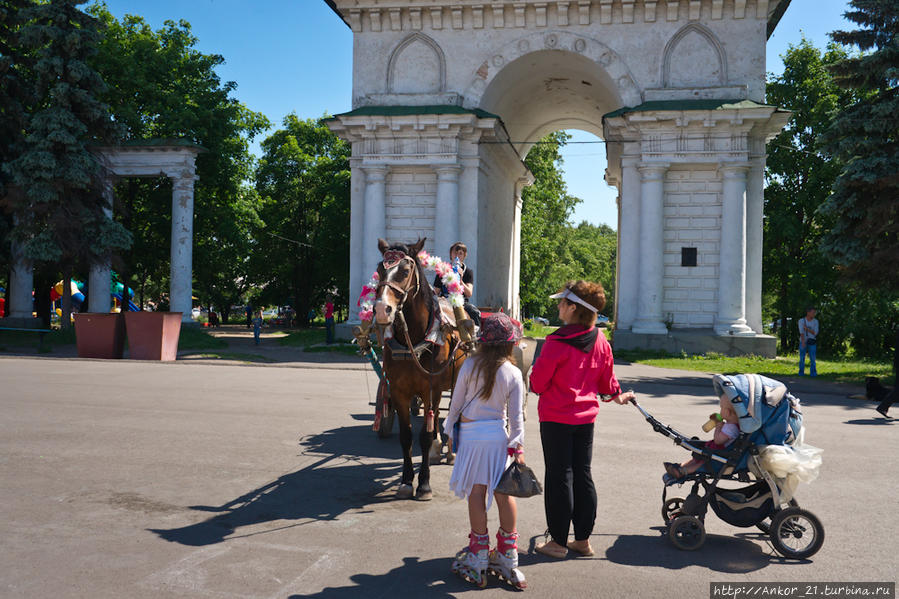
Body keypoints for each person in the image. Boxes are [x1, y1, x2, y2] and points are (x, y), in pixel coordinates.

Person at [529, 280, 635, 559]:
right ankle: (583, 540)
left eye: (562, 302)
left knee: (559, 476)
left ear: (572, 308)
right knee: (582, 473)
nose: (558, 306)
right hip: (585, 419)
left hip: (555, 417)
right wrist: (618, 396)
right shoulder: (601, 340)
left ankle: (557, 543)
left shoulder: (556, 341)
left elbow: (538, 384)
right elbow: (607, 382)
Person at [443, 312, 527, 589]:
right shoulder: (513, 373)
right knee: (504, 494)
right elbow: (517, 418)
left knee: (476, 493)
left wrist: (448, 429)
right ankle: (508, 555)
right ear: (508, 344)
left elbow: (456, 403)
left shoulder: (469, 365)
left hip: (470, 436)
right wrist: (517, 445)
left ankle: (479, 554)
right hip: (498, 438)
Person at [663, 393, 740, 480]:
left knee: (701, 463)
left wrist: (718, 427)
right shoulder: (731, 425)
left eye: (722, 408)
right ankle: (680, 466)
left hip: (719, 454)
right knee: (697, 458)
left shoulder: (731, 427)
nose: (720, 410)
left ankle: (683, 471)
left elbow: (718, 440)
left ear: (728, 412)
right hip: (718, 451)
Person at [433, 242, 481, 327]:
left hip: (461, 303)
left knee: (474, 312)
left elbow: (469, 293)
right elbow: (436, 291)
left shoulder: (468, 272)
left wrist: (461, 280)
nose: (457, 255)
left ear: (464, 256)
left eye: (460, 253)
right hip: (444, 301)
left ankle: (475, 337)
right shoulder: (443, 270)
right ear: (450, 254)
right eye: (455, 252)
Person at [798, 306, 819, 377]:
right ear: (808, 313)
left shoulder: (815, 321)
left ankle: (813, 373)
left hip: (812, 341)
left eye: (814, 313)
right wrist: (803, 342)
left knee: (813, 358)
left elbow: (815, 332)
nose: (814, 314)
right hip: (803, 340)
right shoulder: (801, 321)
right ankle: (801, 372)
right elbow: (801, 332)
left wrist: (807, 329)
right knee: (802, 358)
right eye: (813, 313)